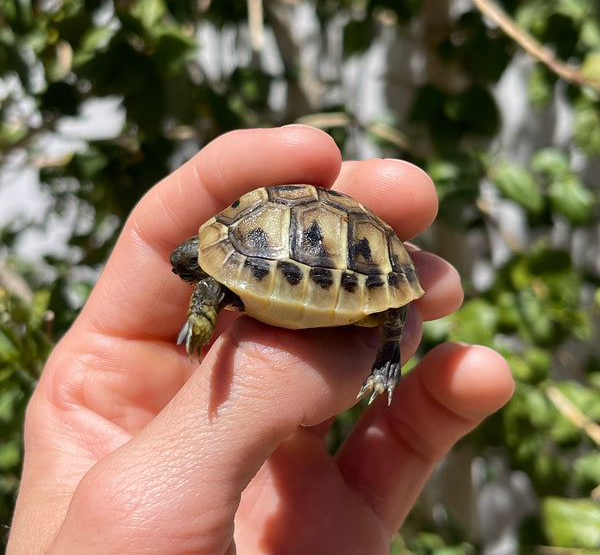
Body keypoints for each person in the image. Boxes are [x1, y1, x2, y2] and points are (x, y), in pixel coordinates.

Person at [7, 125, 514, 554]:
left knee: (389, 313)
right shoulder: (223, 266)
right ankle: (383, 358)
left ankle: (386, 360)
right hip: (295, 261)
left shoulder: (215, 274)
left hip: (342, 260)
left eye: (191, 259)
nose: (187, 267)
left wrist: (203, 318)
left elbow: (208, 284)